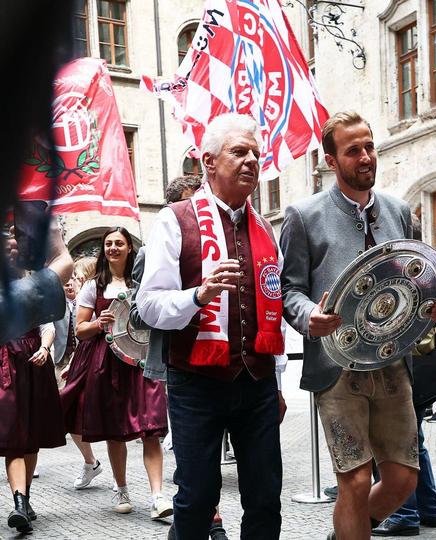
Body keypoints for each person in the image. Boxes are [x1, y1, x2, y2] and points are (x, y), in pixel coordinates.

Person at [280, 111, 436, 540]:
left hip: (394, 364)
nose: (365, 157)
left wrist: (435, 308)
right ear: (331, 160)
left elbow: (419, 282)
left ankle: (345, 533)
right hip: (336, 368)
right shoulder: (303, 215)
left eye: (369, 146)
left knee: (403, 480)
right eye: (353, 150)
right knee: (354, 482)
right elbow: (288, 291)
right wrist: (308, 318)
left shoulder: (399, 211)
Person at [137, 113, 288, 540]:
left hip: (256, 380)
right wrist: (198, 296)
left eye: (256, 153)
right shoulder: (174, 220)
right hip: (196, 383)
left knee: (264, 498)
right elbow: (148, 305)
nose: (251, 161)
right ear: (208, 161)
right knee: (198, 498)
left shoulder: (264, 228)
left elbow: (269, 310)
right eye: (239, 152)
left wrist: (275, 383)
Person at [59, 227, 173, 520]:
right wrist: (99, 323)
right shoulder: (93, 287)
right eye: (108, 244)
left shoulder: (144, 282)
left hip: (143, 363)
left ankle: (158, 496)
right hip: (107, 364)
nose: (113, 248)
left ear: (128, 249)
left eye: (118, 243)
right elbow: (80, 331)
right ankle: (121, 488)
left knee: (151, 429)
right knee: (115, 431)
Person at [0, 262, 67, 533]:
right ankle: (18, 503)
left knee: (30, 438)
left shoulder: (35, 287)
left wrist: (45, 348)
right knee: (13, 437)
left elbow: (48, 327)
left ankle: (24, 499)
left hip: (31, 362)